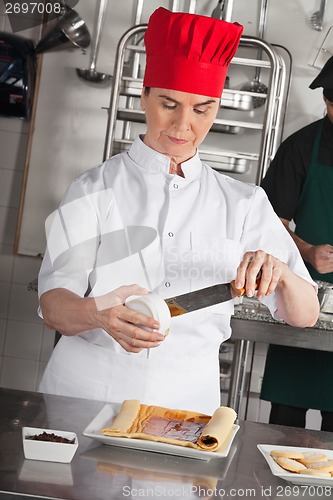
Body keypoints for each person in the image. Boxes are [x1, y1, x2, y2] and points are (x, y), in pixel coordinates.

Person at [37, 7, 319, 415]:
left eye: (201, 110)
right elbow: (53, 305)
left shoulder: (243, 203)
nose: (183, 124)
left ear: (216, 109)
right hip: (84, 394)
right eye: (169, 103)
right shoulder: (92, 188)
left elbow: (304, 314)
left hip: (185, 405)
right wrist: (99, 316)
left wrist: (283, 272)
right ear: (144, 95)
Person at [260, 56, 333, 431]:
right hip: (305, 300)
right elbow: (267, 223)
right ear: (326, 102)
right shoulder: (301, 148)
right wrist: (306, 251)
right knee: (285, 424)